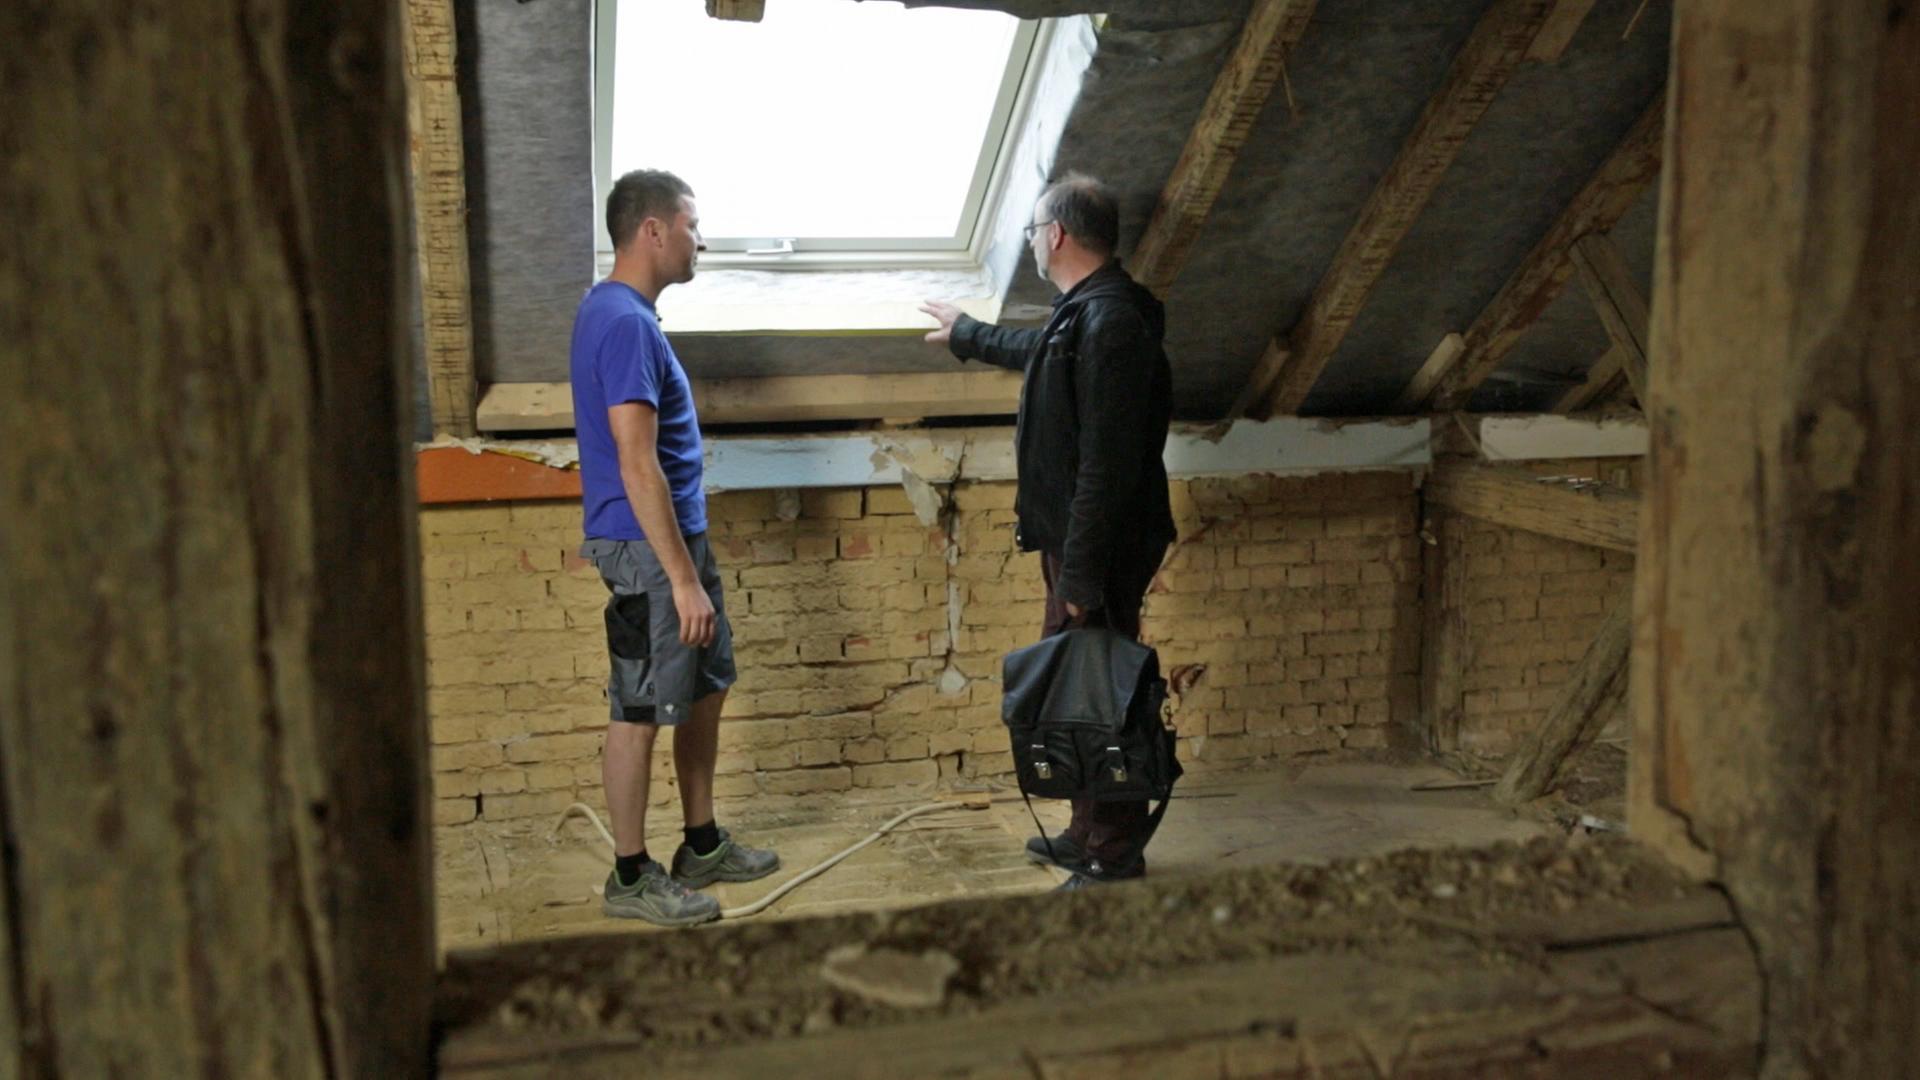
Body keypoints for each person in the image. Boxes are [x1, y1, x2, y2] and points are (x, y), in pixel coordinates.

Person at [919, 173, 1176, 889]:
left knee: (1104, 699)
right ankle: (1088, 833)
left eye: (1033, 230)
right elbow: (1042, 352)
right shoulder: (1087, 313)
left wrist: (1082, 576)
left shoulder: (1111, 321)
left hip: (1102, 545)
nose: (1032, 241)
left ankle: (1112, 854)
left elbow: (1106, 465)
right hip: (1083, 542)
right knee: (1078, 690)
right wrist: (969, 334)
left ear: (1055, 234)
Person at [570, 169, 778, 926]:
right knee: (639, 708)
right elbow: (636, 462)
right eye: (693, 225)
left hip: (677, 543)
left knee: (705, 686)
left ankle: (702, 842)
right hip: (649, 552)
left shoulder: (623, 313)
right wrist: (682, 581)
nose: (701, 240)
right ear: (653, 230)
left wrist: (689, 568)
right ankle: (630, 876)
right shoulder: (624, 323)